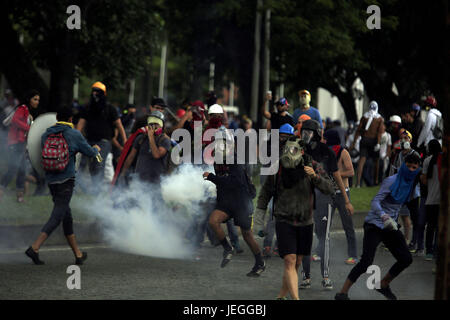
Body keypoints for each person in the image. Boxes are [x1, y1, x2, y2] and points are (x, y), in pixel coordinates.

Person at [254, 126, 334, 300]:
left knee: (297, 262)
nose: (290, 153)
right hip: (284, 219)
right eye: (288, 149)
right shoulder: (277, 168)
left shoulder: (311, 165)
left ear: (302, 151)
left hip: (305, 221)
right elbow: (264, 194)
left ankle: (281, 296)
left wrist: (315, 177)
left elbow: (329, 188)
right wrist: (259, 221)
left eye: (295, 150)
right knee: (290, 260)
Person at [335, 154, 421, 300]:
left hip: (390, 227)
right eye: (409, 166)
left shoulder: (413, 185)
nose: (411, 170)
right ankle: (342, 293)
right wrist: (383, 215)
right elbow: (375, 202)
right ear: (403, 165)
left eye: (415, 167)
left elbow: (412, 206)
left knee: (406, 258)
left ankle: (383, 284)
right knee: (366, 262)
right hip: (374, 224)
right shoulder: (391, 181)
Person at [25, 106, 101, 265]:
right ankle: (35, 247)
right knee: (58, 216)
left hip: (51, 180)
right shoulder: (74, 134)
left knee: (67, 217)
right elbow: (89, 153)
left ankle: (78, 255)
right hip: (66, 180)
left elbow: (41, 155)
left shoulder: (47, 133)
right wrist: (96, 149)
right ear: (71, 120)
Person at [300, 119, 354, 290]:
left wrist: (346, 201)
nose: (304, 135)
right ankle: (306, 277)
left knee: (324, 238)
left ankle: (325, 276)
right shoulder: (300, 150)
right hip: (304, 199)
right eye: (303, 132)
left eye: (308, 132)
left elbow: (337, 177)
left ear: (316, 133)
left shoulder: (327, 153)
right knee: (305, 238)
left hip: (324, 198)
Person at [203, 128, 265, 277]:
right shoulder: (218, 160)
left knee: (247, 235)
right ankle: (227, 248)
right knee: (213, 221)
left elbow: (234, 182)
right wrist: (219, 201)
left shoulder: (235, 159)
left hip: (242, 201)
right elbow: (222, 184)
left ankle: (260, 262)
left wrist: (212, 177)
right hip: (227, 201)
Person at [76, 82, 127, 193]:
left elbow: (119, 125)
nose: (95, 94)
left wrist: (125, 140)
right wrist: (76, 138)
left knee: (98, 164)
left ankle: (96, 191)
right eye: (93, 91)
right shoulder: (87, 107)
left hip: (103, 143)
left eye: (98, 92)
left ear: (104, 94)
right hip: (88, 141)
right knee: (83, 165)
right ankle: (87, 190)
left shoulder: (110, 109)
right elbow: (81, 123)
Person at [323, 129, 357, 265]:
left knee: (348, 225)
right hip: (328, 193)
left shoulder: (343, 152)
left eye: (325, 139)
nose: (323, 141)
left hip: (342, 193)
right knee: (324, 224)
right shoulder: (324, 152)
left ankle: (353, 255)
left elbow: (351, 171)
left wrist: (336, 174)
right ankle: (320, 252)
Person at [0, 90, 40, 202]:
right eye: (35, 99)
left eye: (38, 100)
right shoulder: (22, 108)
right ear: (29, 99)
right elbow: (16, 121)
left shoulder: (26, 111)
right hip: (16, 143)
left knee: (20, 169)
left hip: (20, 143)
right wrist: (30, 128)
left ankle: (19, 195)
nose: (37, 102)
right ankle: (9, 192)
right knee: (14, 169)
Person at [119, 111, 171, 187]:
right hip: (139, 180)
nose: (153, 126)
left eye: (156, 124)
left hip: (156, 182)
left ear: (162, 126)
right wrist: (123, 173)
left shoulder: (164, 140)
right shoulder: (141, 138)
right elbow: (131, 157)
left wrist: (151, 137)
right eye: (151, 123)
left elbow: (156, 155)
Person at [389, 130, 420, 246]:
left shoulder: (414, 155)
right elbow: (394, 171)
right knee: (400, 216)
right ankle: (400, 240)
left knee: (413, 218)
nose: (403, 141)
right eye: (402, 138)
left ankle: (413, 241)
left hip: (412, 193)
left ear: (410, 141)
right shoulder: (399, 156)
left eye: (406, 138)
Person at [350, 101, 384, 187]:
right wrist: (378, 143)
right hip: (373, 140)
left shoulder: (365, 116)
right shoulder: (379, 118)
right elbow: (379, 132)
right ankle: (375, 181)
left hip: (364, 139)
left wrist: (354, 143)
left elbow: (358, 130)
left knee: (361, 161)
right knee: (376, 161)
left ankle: (358, 183)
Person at [420, 139, 442, 261]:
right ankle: (436, 250)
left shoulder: (427, 161)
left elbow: (424, 180)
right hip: (441, 200)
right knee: (439, 227)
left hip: (430, 199)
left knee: (430, 227)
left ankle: (428, 251)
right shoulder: (442, 160)